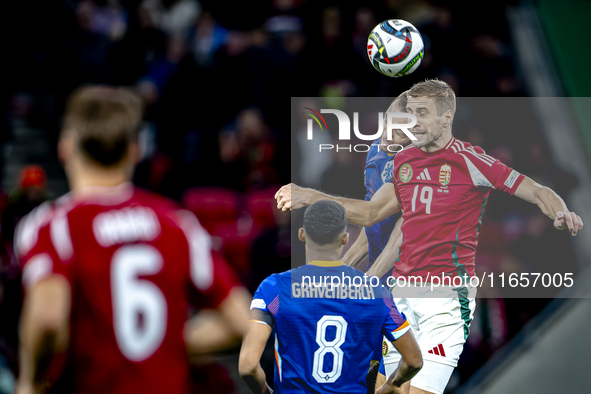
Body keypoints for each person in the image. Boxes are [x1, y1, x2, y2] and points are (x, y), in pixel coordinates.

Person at [275, 79, 583, 394]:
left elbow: (536, 190)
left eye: (409, 121)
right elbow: (372, 218)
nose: (392, 129)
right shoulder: (390, 160)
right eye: (391, 120)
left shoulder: (468, 161)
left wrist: (559, 211)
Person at [15, 86, 250, 394]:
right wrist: (167, 345)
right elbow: (246, 321)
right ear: (136, 149)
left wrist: (30, 383)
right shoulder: (176, 222)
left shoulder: (53, 226)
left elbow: (47, 319)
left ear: (66, 147)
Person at [239, 199, 423, 394]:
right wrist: (392, 384)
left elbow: (248, 366)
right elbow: (414, 360)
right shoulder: (377, 293)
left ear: (302, 235)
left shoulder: (274, 288)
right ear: (344, 238)